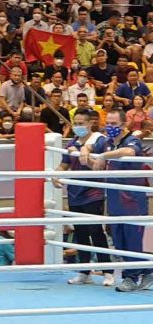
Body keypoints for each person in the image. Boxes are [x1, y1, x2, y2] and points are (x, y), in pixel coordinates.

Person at [88, 110, 153, 292]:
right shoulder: (107, 142)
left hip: (132, 201)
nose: (110, 127)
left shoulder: (131, 140)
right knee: (119, 241)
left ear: (124, 125)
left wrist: (103, 157)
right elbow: (89, 147)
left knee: (132, 241)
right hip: (115, 200)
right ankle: (148, 271)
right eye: (108, 123)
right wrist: (86, 153)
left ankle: (130, 278)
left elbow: (129, 151)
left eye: (115, 124)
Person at [53, 108, 114, 286]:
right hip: (74, 192)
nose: (78, 127)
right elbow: (64, 165)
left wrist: (83, 154)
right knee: (80, 232)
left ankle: (108, 271)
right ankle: (84, 271)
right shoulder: (71, 142)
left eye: (81, 124)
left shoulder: (100, 140)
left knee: (96, 232)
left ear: (90, 123)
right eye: (75, 123)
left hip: (93, 192)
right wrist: (55, 175)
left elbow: (99, 167)